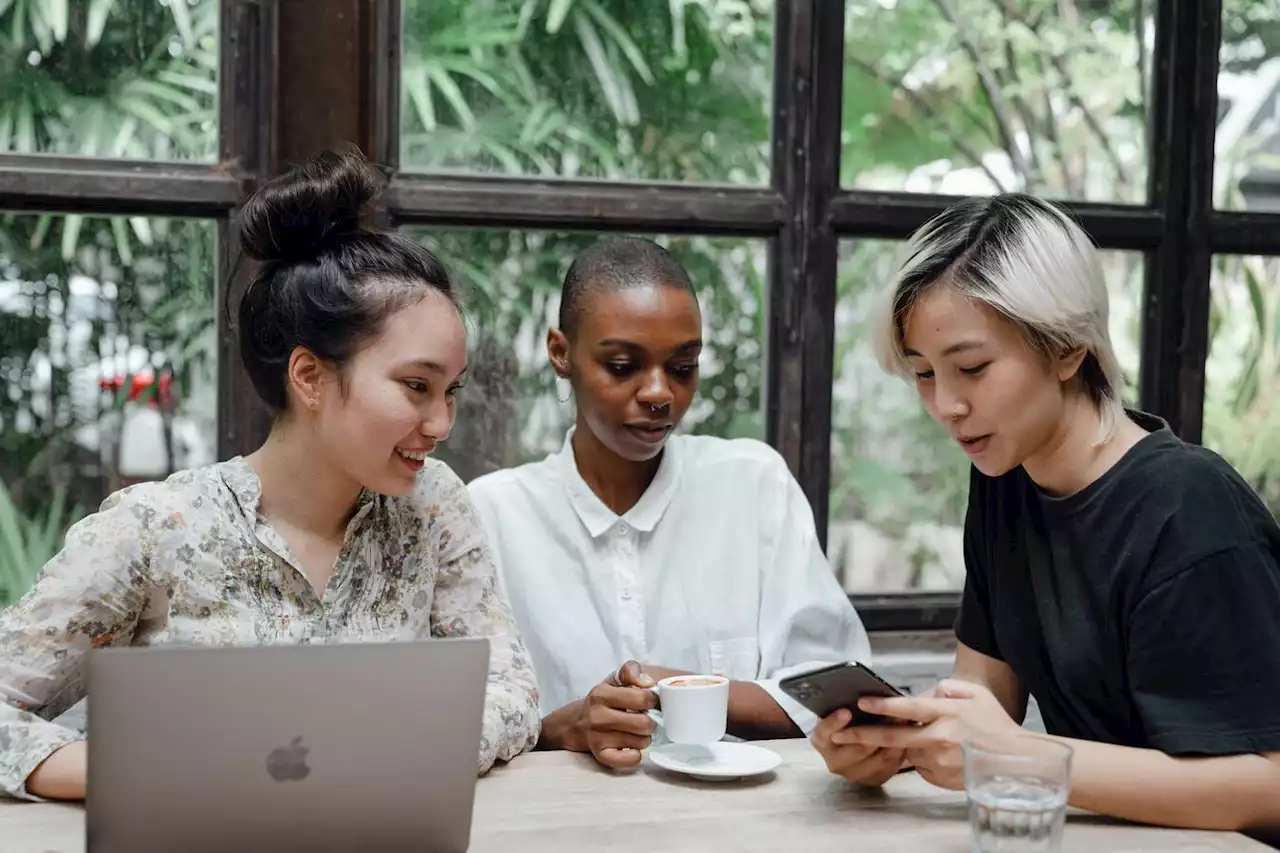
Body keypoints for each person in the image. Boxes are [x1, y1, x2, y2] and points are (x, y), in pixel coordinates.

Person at [0, 148, 541, 801]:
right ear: (309, 376)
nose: (441, 422)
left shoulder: (433, 505)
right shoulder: (155, 528)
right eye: (417, 386)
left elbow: (510, 692)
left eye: (451, 389)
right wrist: (143, 767)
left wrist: (384, 751)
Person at [811, 193, 1280, 833]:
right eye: (923, 374)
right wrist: (897, 746)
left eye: (971, 368)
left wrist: (1018, 757)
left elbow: (1269, 786)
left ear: (1067, 348)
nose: (946, 405)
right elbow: (983, 702)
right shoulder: (1005, 479)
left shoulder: (1191, 508)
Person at [468, 236, 871, 769]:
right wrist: (559, 729)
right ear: (561, 353)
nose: (660, 393)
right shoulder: (492, 515)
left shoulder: (752, 484)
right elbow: (450, 728)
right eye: (621, 365)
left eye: (683, 368)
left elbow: (838, 694)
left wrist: (675, 686)